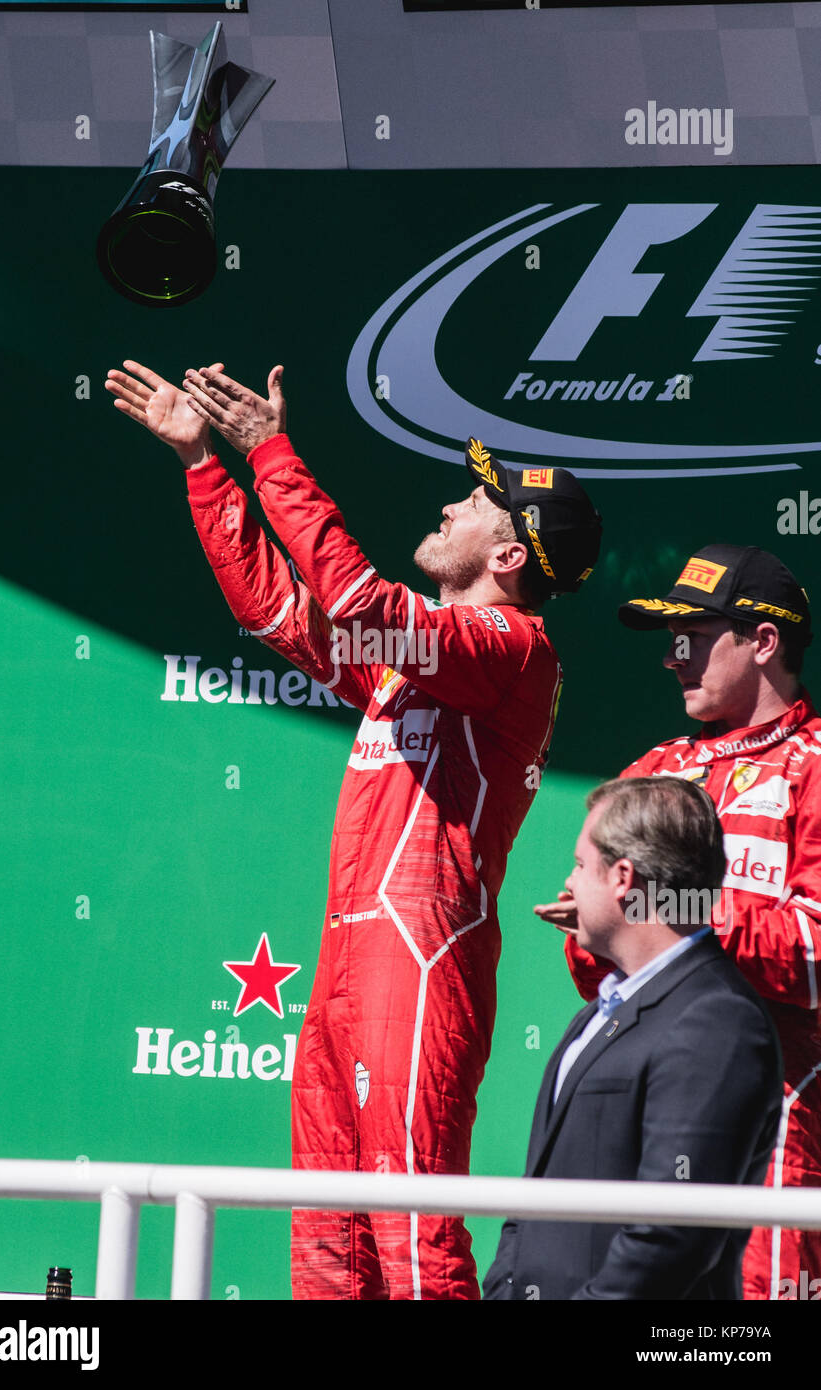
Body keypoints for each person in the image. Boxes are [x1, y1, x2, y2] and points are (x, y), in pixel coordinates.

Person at [104, 358, 602, 1300]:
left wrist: (271, 453)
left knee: (412, 1232)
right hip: (348, 958)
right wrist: (206, 467)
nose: (450, 508)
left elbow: (357, 602)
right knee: (329, 1241)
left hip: (420, 955)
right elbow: (284, 611)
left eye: (475, 505)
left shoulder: (509, 648)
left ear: (508, 558)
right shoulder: (410, 659)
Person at [537, 545, 821, 1301]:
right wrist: (591, 926)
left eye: (691, 636)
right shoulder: (648, 774)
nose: (672, 659)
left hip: (784, 1104)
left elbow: (816, 956)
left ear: (762, 641)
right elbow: (604, 974)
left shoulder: (816, 766)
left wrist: (678, 908)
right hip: (643, 1092)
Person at [485, 776, 783, 1300]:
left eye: (580, 865)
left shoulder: (716, 1021)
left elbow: (673, 1231)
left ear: (623, 877)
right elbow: (532, 1205)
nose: (569, 884)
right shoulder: (600, 1013)